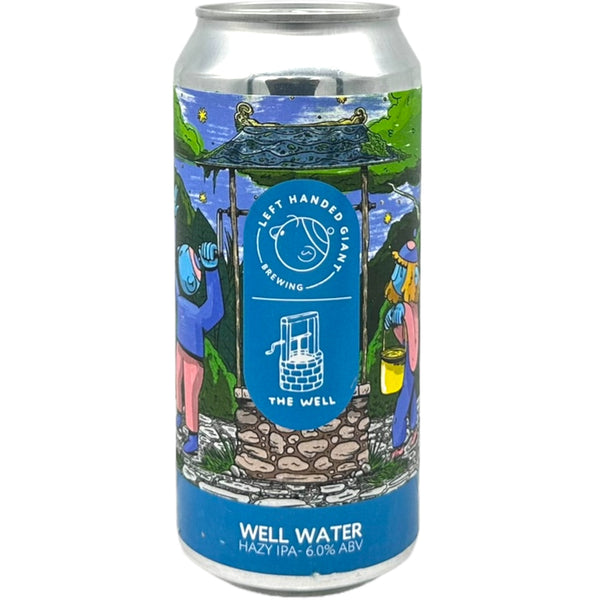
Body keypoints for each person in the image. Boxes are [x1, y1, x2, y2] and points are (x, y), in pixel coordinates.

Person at [176, 242, 224, 454]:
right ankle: (179, 414)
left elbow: (215, 312)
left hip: (194, 357)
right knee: (179, 385)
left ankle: (193, 436)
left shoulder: (196, 314)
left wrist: (212, 271)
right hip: (180, 347)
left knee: (191, 393)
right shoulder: (182, 301)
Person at [384, 240, 420, 458]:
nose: (395, 276)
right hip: (410, 354)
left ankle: (398, 442)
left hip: (411, 356)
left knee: (407, 392)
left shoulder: (405, 306)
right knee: (410, 389)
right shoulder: (404, 306)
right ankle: (412, 429)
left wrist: (397, 314)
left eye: (402, 271)